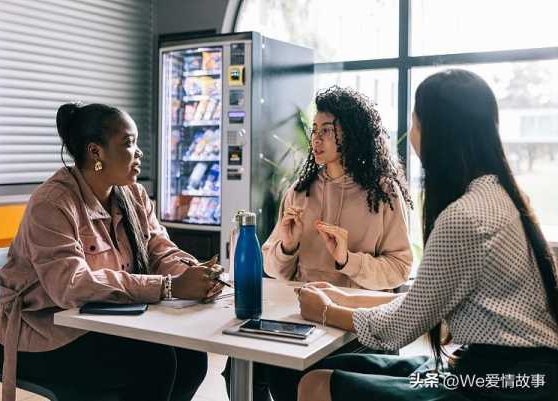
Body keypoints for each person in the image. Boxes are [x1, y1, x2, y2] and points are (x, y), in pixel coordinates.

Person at [296, 69, 558, 401]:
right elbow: (426, 298)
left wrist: (324, 311)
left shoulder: (462, 217)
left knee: (315, 384)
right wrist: (342, 296)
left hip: (497, 384)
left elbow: (403, 325)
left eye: (416, 123)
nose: (412, 133)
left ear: (440, 133)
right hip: (514, 372)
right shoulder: (501, 197)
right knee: (335, 369)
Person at [0, 103, 224, 401]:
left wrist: (192, 273)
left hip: (104, 322)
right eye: (128, 143)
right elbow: (70, 286)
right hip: (44, 332)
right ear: (95, 152)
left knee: (191, 357)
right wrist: (168, 287)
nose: (139, 152)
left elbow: (158, 249)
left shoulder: (133, 194)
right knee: (153, 363)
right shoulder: (51, 203)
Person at [223, 86, 414, 401]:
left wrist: (347, 260)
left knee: (297, 374)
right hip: (301, 317)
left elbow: (399, 270)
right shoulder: (300, 192)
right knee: (241, 363)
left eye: (327, 131)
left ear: (353, 134)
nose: (315, 139)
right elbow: (272, 266)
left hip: (355, 326)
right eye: (314, 130)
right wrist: (287, 246)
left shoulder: (384, 194)